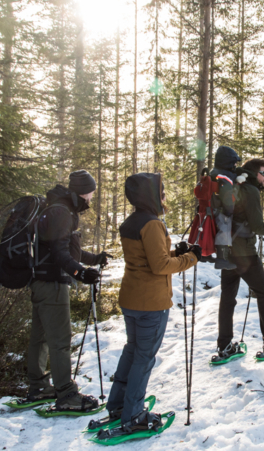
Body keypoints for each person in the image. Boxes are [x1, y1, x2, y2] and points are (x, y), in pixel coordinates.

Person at [93, 172, 200, 437]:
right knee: (143, 357)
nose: (164, 197)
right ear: (152, 196)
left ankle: (118, 406)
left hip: (132, 298)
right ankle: (134, 415)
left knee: (132, 351)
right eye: (161, 192)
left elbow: (148, 257)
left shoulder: (132, 221)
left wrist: (180, 252)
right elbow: (160, 265)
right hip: (150, 303)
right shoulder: (152, 224)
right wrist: (191, 258)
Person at [27, 170, 112, 411]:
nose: (91, 198)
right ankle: (66, 395)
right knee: (60, 340)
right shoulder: (62, 212)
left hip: (40, 281)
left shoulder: (56, 208)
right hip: (53, 283)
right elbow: (60, 254)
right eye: (91, 193)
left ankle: (38, 387)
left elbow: (64, 248)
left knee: (40, 337)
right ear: (83, 192)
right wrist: (81, 273)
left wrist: (93, 260)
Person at [213, 158, 264, 361]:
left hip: (226, 250)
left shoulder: (235, 186)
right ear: (254, 173)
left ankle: (224, 347)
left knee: (227, 298)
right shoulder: (250, 191)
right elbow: (257, 225)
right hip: (245, 254)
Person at [209, 145, 241, 271]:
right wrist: (229, 210)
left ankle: (209, 254)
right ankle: (222, 259)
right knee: (225, 229)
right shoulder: (224, 176)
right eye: (233, 162)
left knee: (215, 230)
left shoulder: (215, 172)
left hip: (213, 207)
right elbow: (226, 194)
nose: (235, 165)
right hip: (221, 209)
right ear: (227, 162)